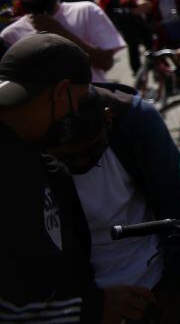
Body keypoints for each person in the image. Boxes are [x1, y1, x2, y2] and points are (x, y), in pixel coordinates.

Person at [0, 33, 156, 324]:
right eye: (81, 98)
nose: (76, 112)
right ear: (62, 91)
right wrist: (91, 310)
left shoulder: (38, 160)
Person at [45, 80, 180, 324]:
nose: (81, 164)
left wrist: (174, 281)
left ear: (108, 119)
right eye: (67, 158)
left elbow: (174, 204)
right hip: (85, 301)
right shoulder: (31, 142)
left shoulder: (136, 121)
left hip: (152, 283)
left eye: (91, 151)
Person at [3, 0, 126, 82]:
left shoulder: (86, 11)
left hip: (94, 98)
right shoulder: (10, 35)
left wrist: (61, 33)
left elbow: (105, 63)